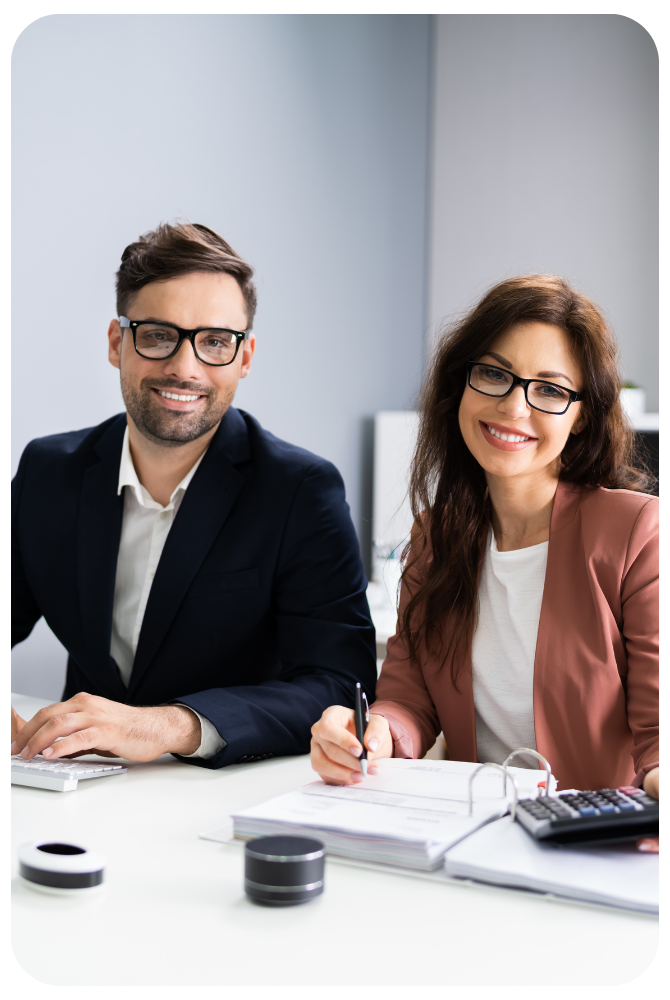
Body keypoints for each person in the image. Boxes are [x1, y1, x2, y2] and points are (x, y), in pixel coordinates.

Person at [12, 222, 376, 767]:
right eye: (158, 335)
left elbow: (337, 684)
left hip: (229, 795)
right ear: (118, 343)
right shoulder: (48, 471)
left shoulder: (300, 491)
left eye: (215, 342)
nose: (185, 368)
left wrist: (170, 725)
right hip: (80, 784)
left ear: (245, 357)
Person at [311, 274, 659, 823]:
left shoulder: (636, 531)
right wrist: (371, 733)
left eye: (549, 389)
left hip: (594, 839)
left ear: (582, 414)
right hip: (472, 831)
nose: (513, 408)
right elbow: (408, 699)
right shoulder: (436, 537)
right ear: (463, 386)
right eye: (494, 374)